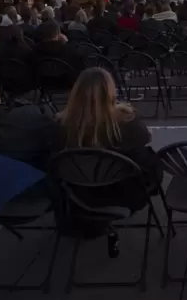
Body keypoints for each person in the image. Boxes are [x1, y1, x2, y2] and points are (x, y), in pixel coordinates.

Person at [58, 67, 160, 209]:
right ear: (110, 91)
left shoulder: (61, 124)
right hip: (122, 197)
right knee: (148, 157)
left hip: (76, 195)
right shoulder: (128, 123)